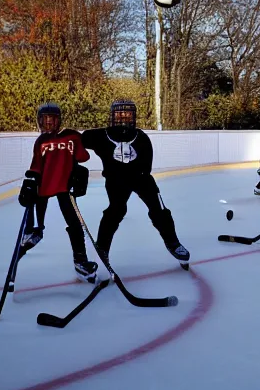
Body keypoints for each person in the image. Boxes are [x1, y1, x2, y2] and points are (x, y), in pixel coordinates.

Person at [81, 99, 190, 268]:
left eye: (127, 114)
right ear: (112, 116)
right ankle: (102, 248)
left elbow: (147, 165)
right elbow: (76, 141)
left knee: (159, 209)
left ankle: (173, 242)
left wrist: (139, 176)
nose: (123, 117)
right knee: (115, 211)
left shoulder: (141, 137)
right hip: (116, 180)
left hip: (141, 178)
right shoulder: (101, 136)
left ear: (133, 116)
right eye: (119, 114)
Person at [17, 102, 98, 283]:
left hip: (64, 188)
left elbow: (83, 157)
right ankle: (16, 264)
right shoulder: (41, 142)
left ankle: (80, 261)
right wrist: (30, 182)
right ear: (39, 121)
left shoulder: (70, 136)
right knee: (34, 232)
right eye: (44, 120)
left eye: (52, 120)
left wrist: (78, 169)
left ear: (59, 120)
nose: (48, 123)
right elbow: (36, 166)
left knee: (75, 226)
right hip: (42, 190)